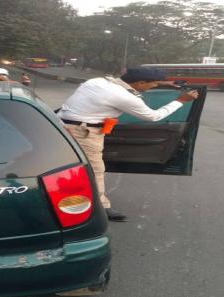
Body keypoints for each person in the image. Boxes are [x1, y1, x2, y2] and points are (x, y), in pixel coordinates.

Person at [56, 67, 199, 222]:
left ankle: (65, 196)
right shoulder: (124, 97)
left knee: (65, 166)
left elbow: (131, 88)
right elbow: (154, 116)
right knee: (94, 170)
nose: (155, 87)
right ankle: (100, 208)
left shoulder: (97, 81)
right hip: (84, 132)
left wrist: (165, 84)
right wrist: (181, 101)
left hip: (61, 123)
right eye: (154, 84)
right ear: (141, 82)